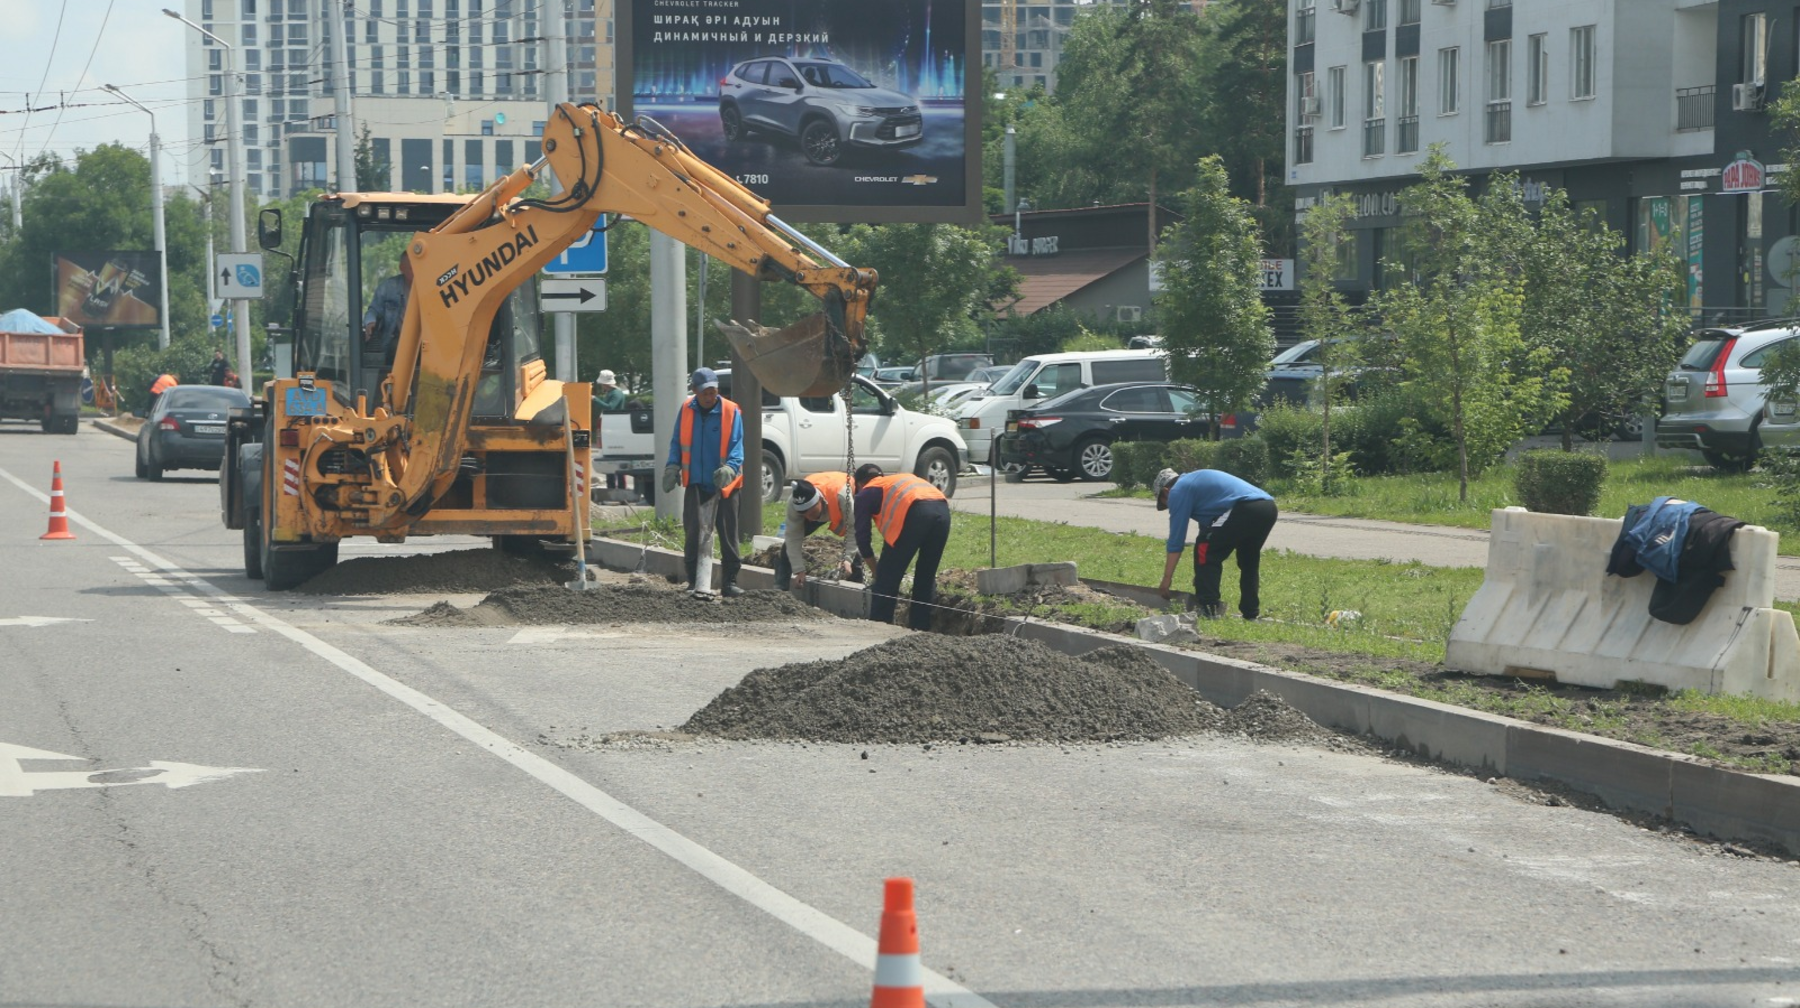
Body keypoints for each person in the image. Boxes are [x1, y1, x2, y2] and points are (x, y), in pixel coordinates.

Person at [1153, 467, 1278, 620]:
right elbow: (1208, 530)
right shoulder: (1195, 481)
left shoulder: (1178, 491)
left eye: (1166, 503)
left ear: (1166, 491)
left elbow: (1176, 539)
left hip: (1244, 508)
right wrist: (1203, 576)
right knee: (1248, 561)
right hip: (1267, 507)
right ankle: (1250, 613)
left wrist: (1167, 579)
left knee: (1206, 552)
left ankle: (1209, 610)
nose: (1170, 506)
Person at [663, 367, 745, 597]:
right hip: (696, 483)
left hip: (726, 484)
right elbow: (677, 441)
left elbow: (738, 445)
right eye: (705, 393)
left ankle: (729, 582)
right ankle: (693, 581)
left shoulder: (731, 411)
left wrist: (730, 467)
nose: (710, 396)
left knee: (728, 534)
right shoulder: (687, 410)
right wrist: (672, 466)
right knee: (693, 532)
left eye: (713, 391)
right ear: (695, 392)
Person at [852, 462, 950, 630]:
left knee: (887, 580)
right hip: (942, 510)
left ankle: (879, 630)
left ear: (860, 484)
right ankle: (921, 630)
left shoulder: (865, 493)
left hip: (915, 513)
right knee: (925, 576)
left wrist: (876, 572)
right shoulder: (895, 481)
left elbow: (862, 538)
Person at [778, 473, 864, 591]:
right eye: (804, 515)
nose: (809, 518)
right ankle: (780, 590)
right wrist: (798, 569)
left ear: (819, 500)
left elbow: (853, 530)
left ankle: (857, 586)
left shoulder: (843, 496)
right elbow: (792, 537)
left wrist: (847, 558)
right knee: (787, 547)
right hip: (825, 506)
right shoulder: (793, 504)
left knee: (855, 548)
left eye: (812, 513)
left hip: (837, 501)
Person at [362, 256, 413, 364]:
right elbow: (374, 310)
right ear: (402, 268)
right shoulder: (388, 287)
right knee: (399, 347)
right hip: (398, 337)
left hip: (427, 340)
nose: (415, 270)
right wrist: (370, 322)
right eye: (411, 267)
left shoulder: (432, 286)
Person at [594, 369, 629, 490]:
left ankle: (621, 488)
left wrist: (595, 399)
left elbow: (610, 407)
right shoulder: (610, 393)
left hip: (616, 429)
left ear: (605, 384)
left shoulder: (616, 394)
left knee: (617, 460)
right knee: (609, 460)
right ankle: (612, 487)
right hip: (611, 428)